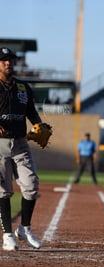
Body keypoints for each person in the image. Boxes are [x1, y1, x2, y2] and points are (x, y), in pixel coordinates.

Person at [0, 47, 44, 251]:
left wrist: (39, 125)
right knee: (3, 191)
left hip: (20, 143)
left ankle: (24, 229)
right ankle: (8, 235)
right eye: (3, 60)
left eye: (10, 60)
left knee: (31, 184)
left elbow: (32, 113)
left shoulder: (23, 87)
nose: (8, 63)